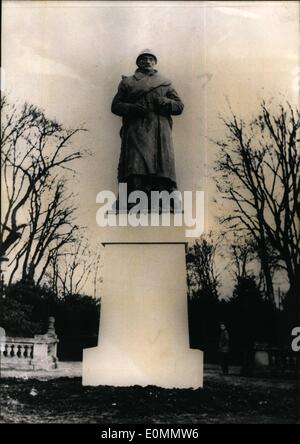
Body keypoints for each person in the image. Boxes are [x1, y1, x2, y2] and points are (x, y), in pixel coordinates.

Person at [111, 49, 184, 209]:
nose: (147, 61)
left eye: (150, 59)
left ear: (155, 62)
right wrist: (131, 108)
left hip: (159, 131)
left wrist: (166, 101)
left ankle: (162, 199)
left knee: (160, 166)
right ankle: (134, 198)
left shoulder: (165, 82)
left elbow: (179, 106)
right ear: (138, 62)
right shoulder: (127, 82)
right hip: (136, 130)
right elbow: (115, 106)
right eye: (143, 59)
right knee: (136, 165)